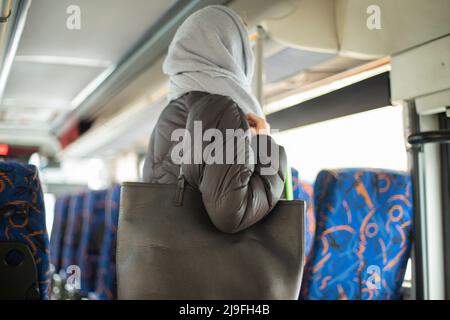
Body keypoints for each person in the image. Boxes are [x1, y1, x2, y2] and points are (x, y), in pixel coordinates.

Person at [143, 5, 287, 234]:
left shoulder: (170, 113)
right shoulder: (220, 109)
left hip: (168, 258)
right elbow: (231, 214)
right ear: (232, 51)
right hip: (203, 267)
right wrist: (265, 145)